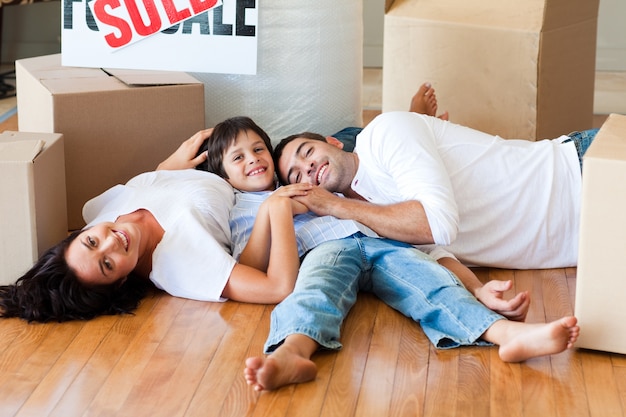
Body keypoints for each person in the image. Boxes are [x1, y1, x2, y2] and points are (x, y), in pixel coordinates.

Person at [190, 115, 578, 392]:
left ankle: (509, 333)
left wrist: (475, 286)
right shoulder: (240, 206)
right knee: (316, 293)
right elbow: (255, 267)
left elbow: (430, 243)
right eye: (238, 158)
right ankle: (291, 352)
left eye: (258, 149)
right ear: (224, 176)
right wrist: (272, 211)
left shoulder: (333, 188)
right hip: (326, 250)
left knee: (433, 285)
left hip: (375, 237)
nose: (253, 158)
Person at [0, 132, 309, 322]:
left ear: (80, 233)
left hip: (232, 153)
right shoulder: (179, 267)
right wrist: (277, 207)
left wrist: (166, 167)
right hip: (260, 176)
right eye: (107, 264)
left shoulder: (101, 214)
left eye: (91, 242)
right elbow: (277, 288)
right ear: (120, 282)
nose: (111, 242)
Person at [273, 111, 599, 269]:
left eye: (308, 153)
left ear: (332, 142)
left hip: (581, 172)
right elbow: (437, 253)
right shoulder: (366, 220)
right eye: (297, 174)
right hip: (585, 247)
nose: (309, 168)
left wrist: (334, 206)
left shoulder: (384, 133)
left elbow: (439, 225)